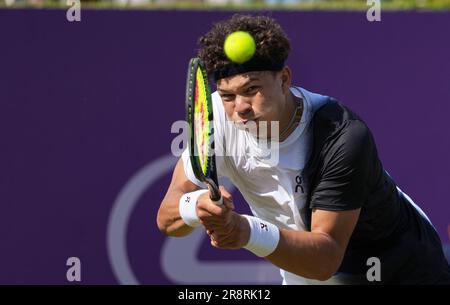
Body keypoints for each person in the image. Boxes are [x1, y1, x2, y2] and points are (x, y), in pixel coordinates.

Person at [157, 14, 450, 284]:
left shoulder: (341, 136)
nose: (240, 108)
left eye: (251, 90)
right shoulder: (217, 118)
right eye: (228, 95)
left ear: (284, 79)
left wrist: (244, 231)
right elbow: (167, 217)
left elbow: (326, 258)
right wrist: (196, 207)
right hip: (305, 273)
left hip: (403, 271)